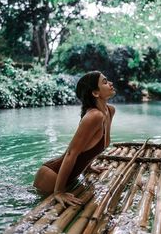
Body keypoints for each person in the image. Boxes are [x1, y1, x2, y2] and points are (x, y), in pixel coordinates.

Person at [34, 71, 115, 207]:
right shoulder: (94, 116)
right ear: (95, 93)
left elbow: (89, 145)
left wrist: (88, 166)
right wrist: (59, 191)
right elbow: (72, 153)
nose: (111, 83)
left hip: (68, 178)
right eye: (105, 82)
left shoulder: (109, 111)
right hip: (52, 176)